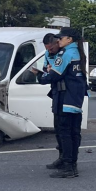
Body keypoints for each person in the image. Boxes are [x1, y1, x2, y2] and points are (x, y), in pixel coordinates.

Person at [43, 27, 87, 179]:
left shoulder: (66, 53)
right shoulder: (77, 52)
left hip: (66, 97)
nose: (59, 40)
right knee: (73, 133)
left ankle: (69, 166)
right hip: (75, 98)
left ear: (69, 39)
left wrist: (39, 76)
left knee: (65, 133)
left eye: (61, 38)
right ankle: (69, 163)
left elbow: (53, 76)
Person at [32, 33, 64, 168]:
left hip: (65, 93)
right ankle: (62, 157)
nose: (49, 52)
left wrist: (46, 75)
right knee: (58, 128)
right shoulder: (48, 54)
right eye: (47, 49)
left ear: (57, 42)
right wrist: (44, 73)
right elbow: (46, 71)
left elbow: (51, 76)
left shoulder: (64, 54)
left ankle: (67, 161)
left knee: (65, 130)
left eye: (51, 49)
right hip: (56, 93)